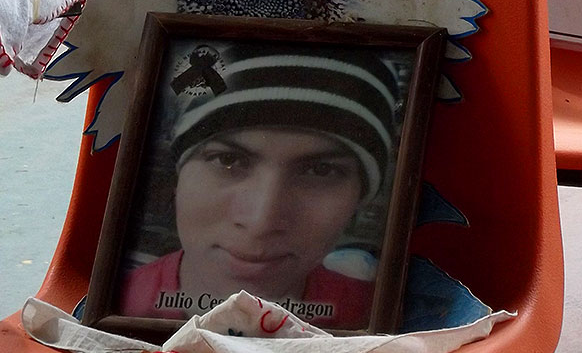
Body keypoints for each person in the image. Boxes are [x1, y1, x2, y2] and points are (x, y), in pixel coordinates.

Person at [116, 45, 402, 329]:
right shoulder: (115, 305)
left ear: (359, 197)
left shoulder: (378, 317)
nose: (261, 222)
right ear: (179, 178)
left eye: (320, 170)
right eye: (228, 160)